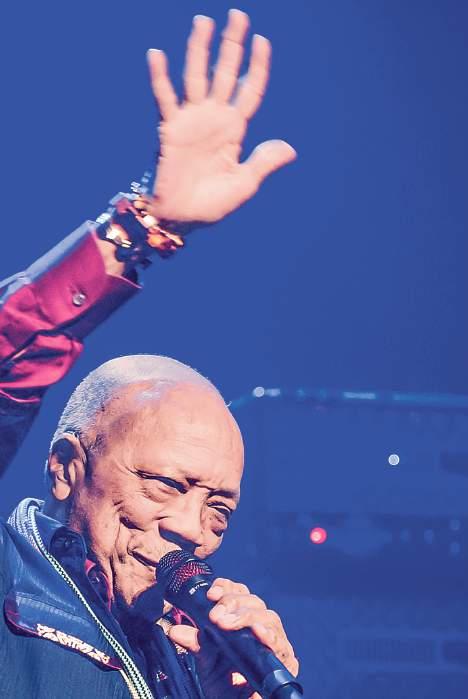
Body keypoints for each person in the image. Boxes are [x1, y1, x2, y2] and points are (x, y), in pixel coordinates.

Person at [0, 9, 300, 698]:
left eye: (219, 509)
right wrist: (142, 226)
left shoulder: (188, 660)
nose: (192, 529)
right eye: (166, 484)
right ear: (67, 468)